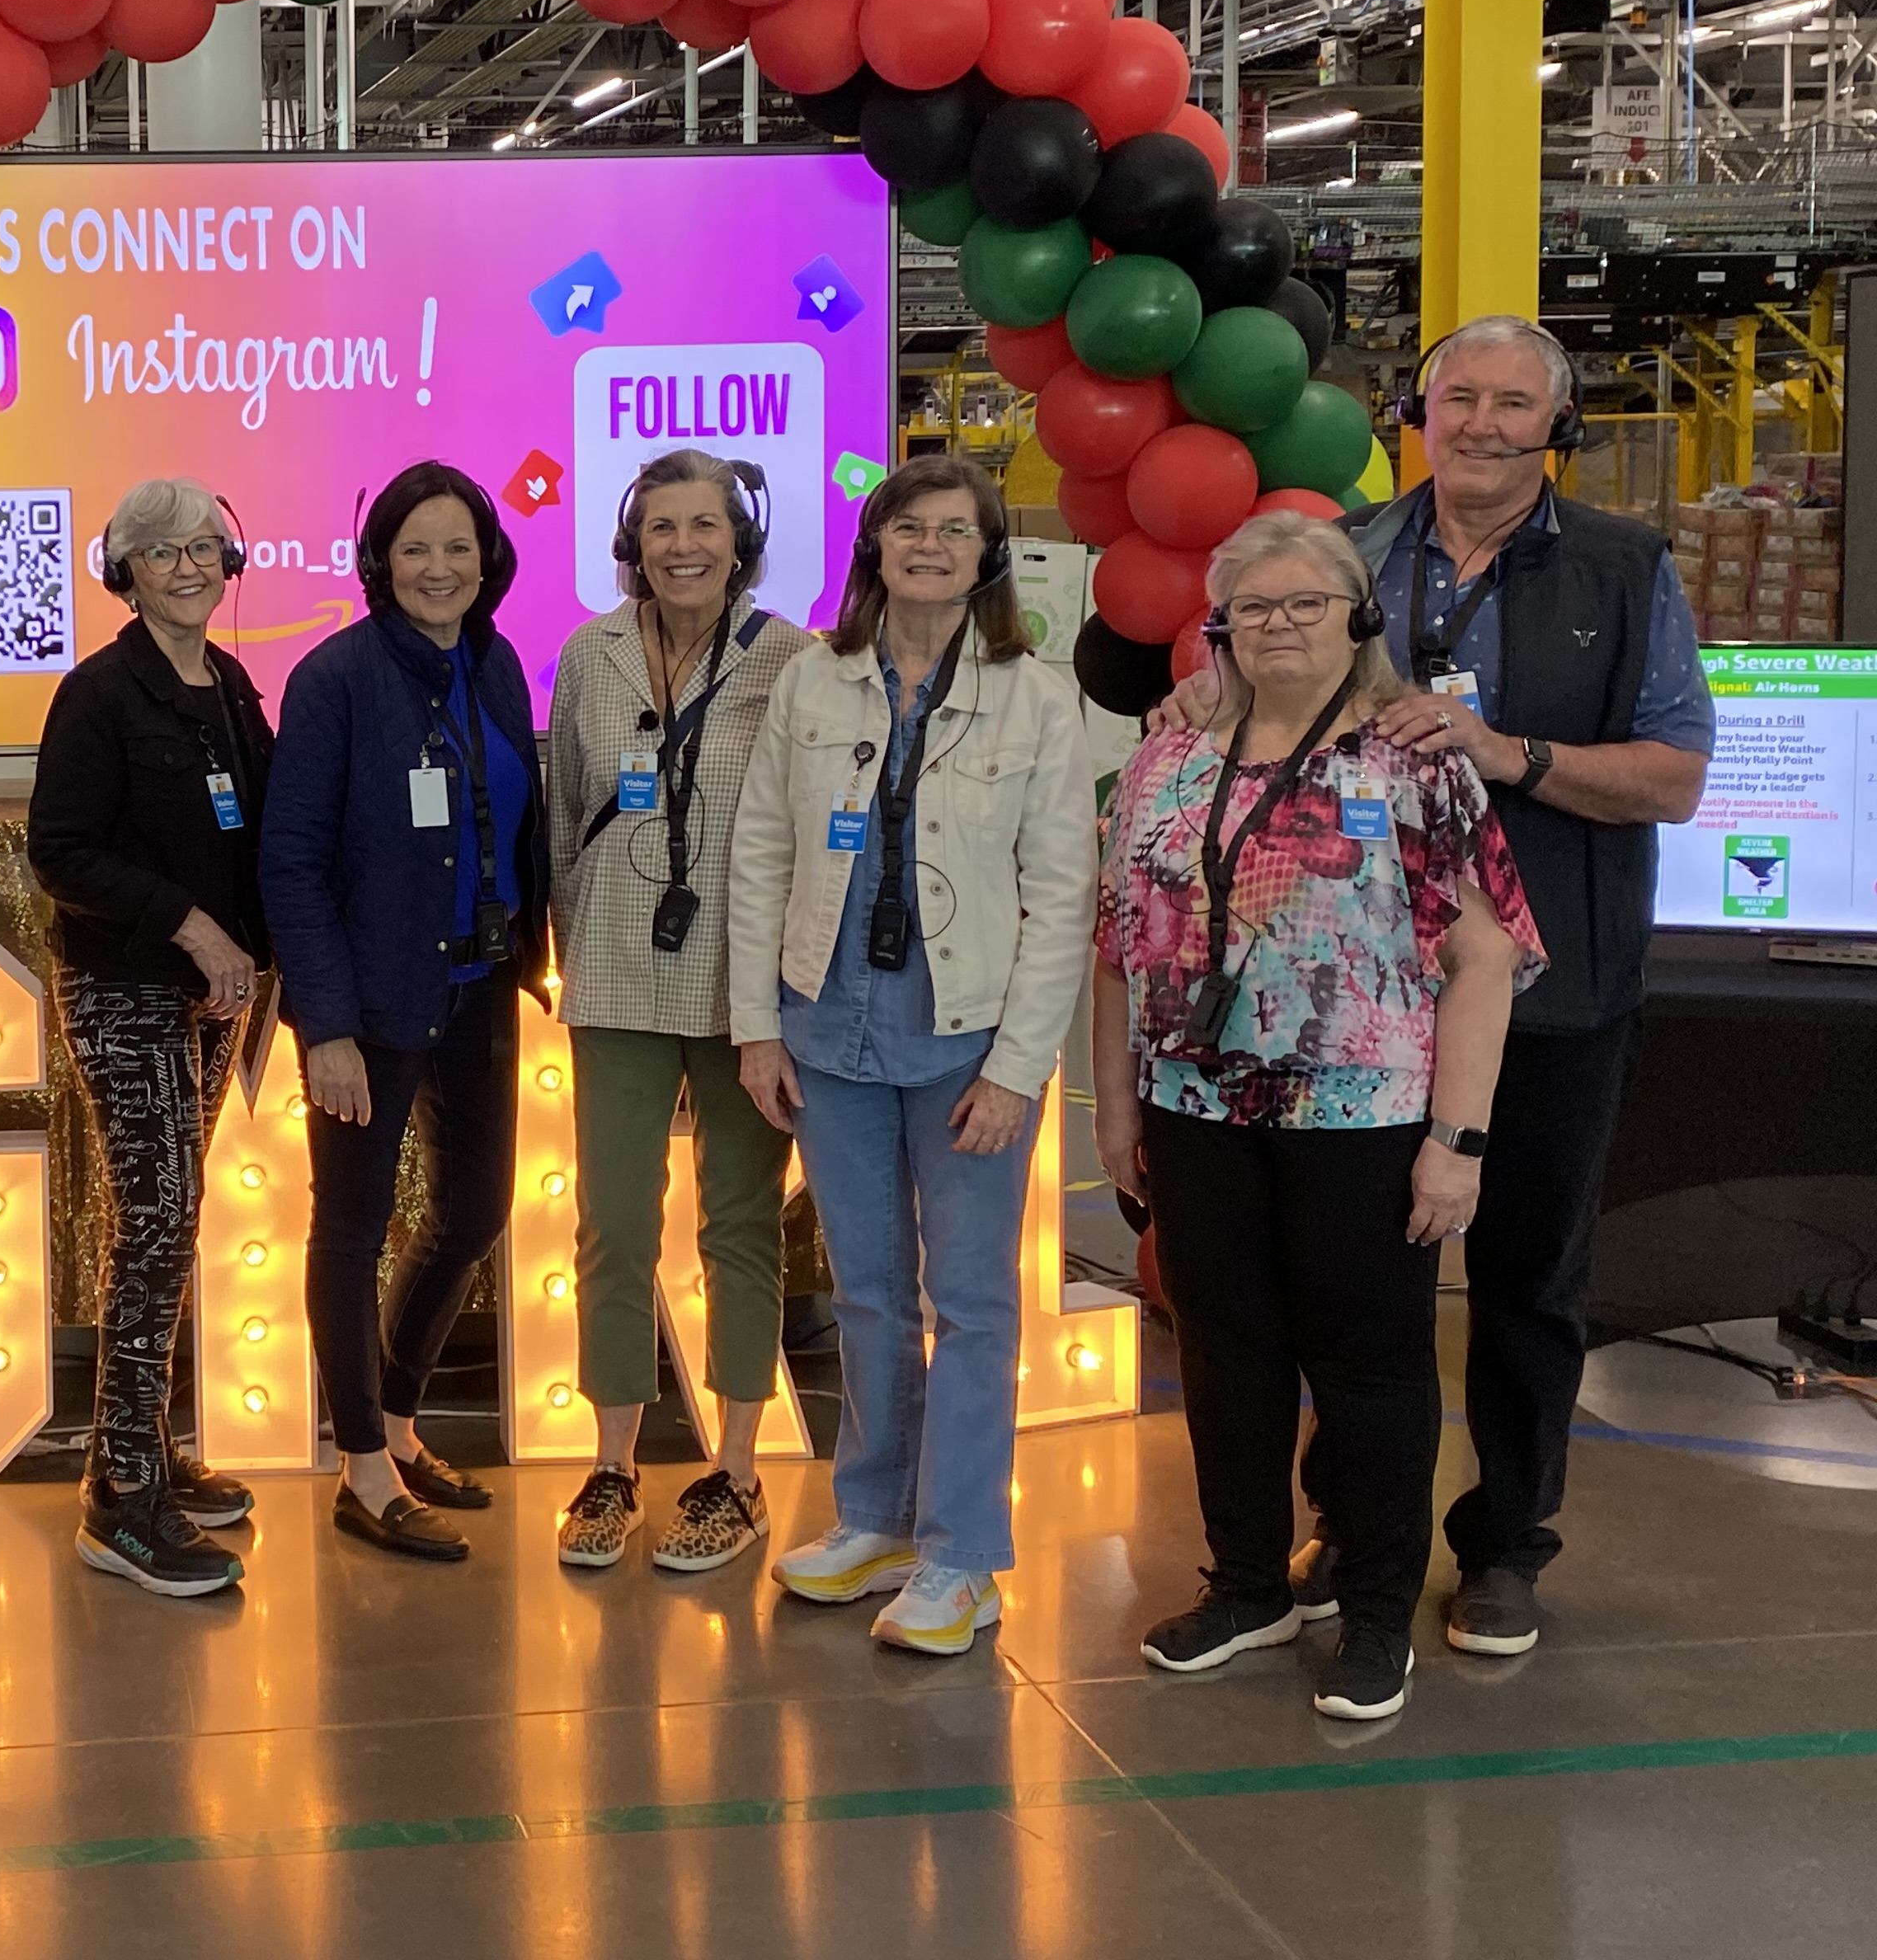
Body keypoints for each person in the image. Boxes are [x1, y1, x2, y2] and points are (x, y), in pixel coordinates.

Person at [1158, 317, 1710, 1659]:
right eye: (1459, 398)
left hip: (1555, 988)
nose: (1482, 425)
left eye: (1515, 403)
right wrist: (1198, 705)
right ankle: (1355, 1531)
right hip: (1359, 1017)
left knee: (1527, 1275)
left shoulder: (1625, 567)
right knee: (1353, 1295)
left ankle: (1506, 1544)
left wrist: (1507, 753)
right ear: (1419, 412)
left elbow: (1677, 777)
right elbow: (1261, 701)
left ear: (1557, 425)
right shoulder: (1353, 552)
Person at [1098, 512, 1542, 1723]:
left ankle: (1377, 1610)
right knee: (1223, 1355)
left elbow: (1486, 960)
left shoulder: (1415, 763)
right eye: (1254, 606)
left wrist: (1458, 1143)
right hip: (1195, 1107)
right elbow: (1116, 947)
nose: (1279, 624)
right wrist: (1115, 1110)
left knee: (1371, 1368)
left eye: (1307, 603)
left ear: (1359, 618)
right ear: (1221, 625)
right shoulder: (1166, 761)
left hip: (1366, 1120)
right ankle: (1248, 1585)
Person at [727, 455, 1094, 1653]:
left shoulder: (1033, 697)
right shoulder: (812, 680)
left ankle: (962, 1557)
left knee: (972, 1303)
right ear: (874, 548)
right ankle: (876, 1519)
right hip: (828, 1029)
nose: (929, 547)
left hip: (965, 1043)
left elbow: (1062, 896)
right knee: (868, 1292)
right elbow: (761, 855)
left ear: (988, 558)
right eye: (907, 528)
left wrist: (1018, 1068)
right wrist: (756, 1025)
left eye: (955, 531)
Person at [259, 461, 548, 1563]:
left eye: (459, 547)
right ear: (379, 561)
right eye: (415, 547)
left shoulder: (496, 664)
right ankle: (363, 1467)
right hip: (371, 1005)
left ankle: (401, 1419)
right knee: (351, 1229)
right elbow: (291, 863)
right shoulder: (332, 678)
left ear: (488, 561)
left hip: (480, 991)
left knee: (474, 1214)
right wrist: (325, 1025)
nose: (439, 567)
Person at [542, 452, 811, 1577]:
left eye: (706, 525)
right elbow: (565, 812)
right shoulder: (590, 653)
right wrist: (572, 943)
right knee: (612, 1226)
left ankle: (736, 1469)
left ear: (741, 541)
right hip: (615, 971)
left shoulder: (791, 659)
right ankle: (612, 1464)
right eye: (662, 527)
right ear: (632, 543)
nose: (684, 546)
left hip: (745, 984)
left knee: (740, 1224)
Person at [27, 478, 271, 1597]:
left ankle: (151, 1449)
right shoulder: (96, 693)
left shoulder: (228, 684)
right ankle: (119, 1495)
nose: (188, 567)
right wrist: (192, 926)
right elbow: (62, 852)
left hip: (214, 1001)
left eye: (204, 547)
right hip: (128, 988)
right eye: (162, 552)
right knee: (158, 1223)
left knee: (171, 1222)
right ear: (123, 573)